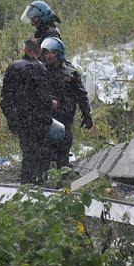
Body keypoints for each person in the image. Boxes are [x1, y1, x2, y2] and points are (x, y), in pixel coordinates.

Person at [0, 39, 54, 184]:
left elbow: (5, 97)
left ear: (25, 49)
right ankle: (38, 182)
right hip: (37, 119)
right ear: (39, 51)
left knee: (27, 151)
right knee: (39, 152)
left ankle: (26, 182)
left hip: (20, 118)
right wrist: (51, 104)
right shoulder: (40, 69)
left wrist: (11, 118)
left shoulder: (14, 67)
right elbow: (42, 96)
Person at [40, 37, 93, 169]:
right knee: (45, 152)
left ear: (59, 53)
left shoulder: (70, 72)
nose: (49, 55)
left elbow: (81, 94)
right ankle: (44, 181)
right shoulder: (40, 70)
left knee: (63, 151)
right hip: (47, 118)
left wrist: (86, 114)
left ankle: (61, 180)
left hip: (65, 118)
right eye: (46, 52)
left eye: (52, 52)